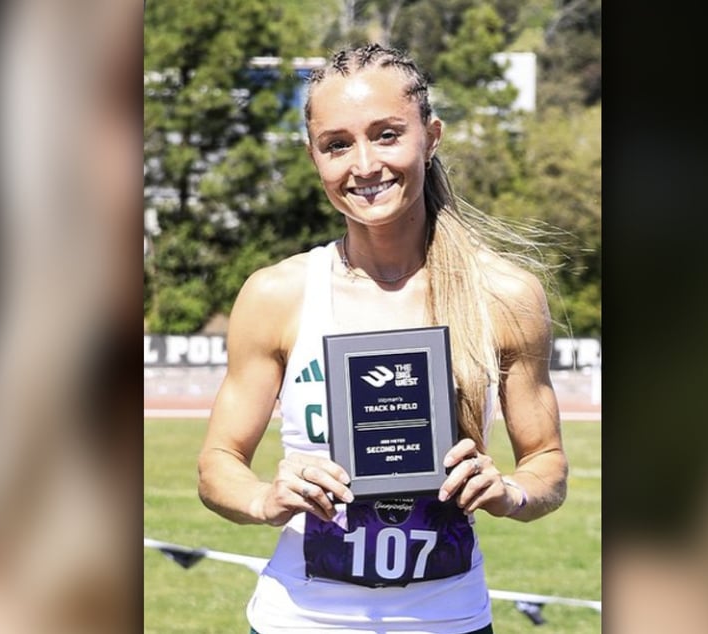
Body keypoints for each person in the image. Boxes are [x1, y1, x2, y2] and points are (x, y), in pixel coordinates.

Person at [197, 43, 568, 634]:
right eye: (337, 144)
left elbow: (547, 464)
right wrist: (265, 499)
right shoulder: (277, 294)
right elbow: (217, 465)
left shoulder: (504, 294)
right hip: (300, 620)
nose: (363, 165)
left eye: (387, 134)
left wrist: (509, 493)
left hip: (449, 621)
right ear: (313, 154)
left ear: (433, 136)